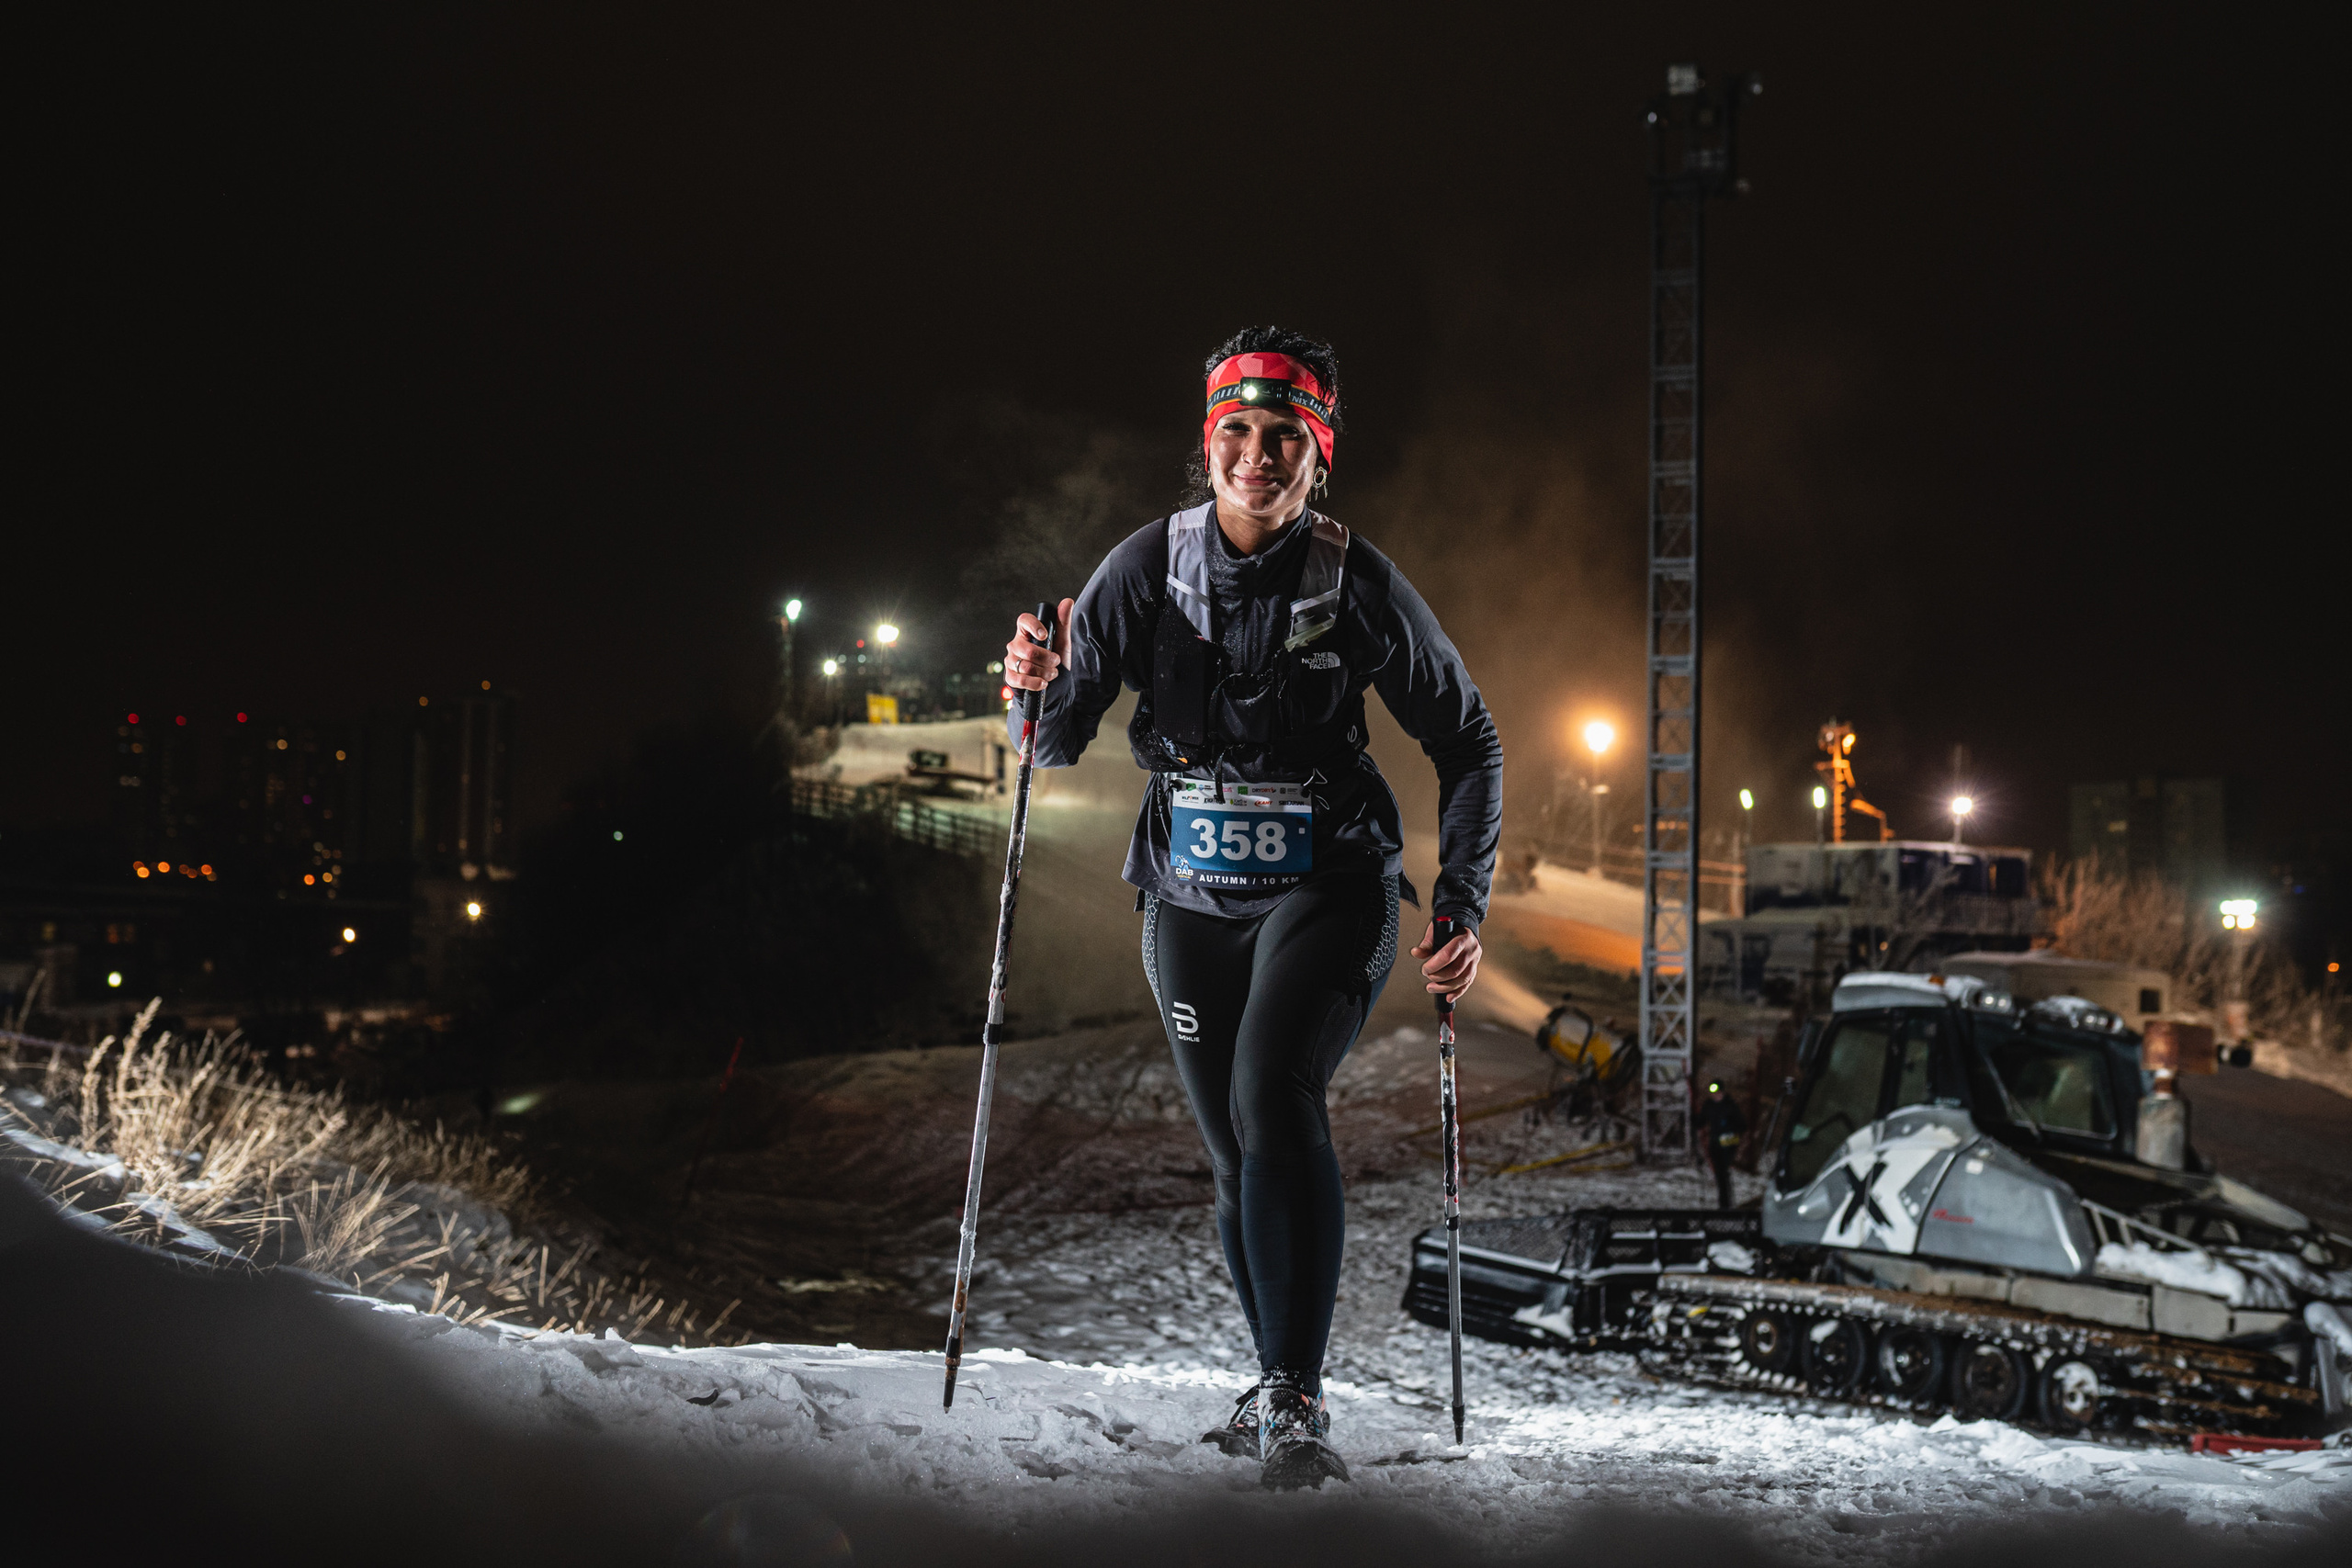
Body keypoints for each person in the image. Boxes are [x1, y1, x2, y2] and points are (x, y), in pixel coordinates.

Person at [1001, 326, 1502, 1490]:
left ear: (1317, 457)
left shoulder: (1357, 581)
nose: (1256, 456)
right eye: (1236, 432)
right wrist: (1029, 684)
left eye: (1285, 438)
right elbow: (1054, 743)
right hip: (1188, 895)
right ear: (1207, 444)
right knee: (1233, 1153)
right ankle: (1273, 1379)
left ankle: (1294, 1398)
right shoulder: (1144, 568)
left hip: (1331, 886)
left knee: (1272, 1097)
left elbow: (1466, 739)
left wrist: (1462, 901)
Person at [1700, 1079, 1747, 1211]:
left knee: (1723, 1173)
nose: (1715, 1096)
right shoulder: (1709, 1105)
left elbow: (1742, 1124)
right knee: (1720, 1174)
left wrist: (1731, 1131)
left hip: (1727, 1145)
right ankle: (1724, 1203)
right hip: (1715, 1145)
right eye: (1713, 1093)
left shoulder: (1730, 1106)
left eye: (1717, 1093)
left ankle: (1726, 1203)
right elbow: (1701, 1121)